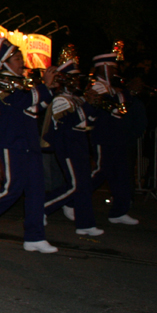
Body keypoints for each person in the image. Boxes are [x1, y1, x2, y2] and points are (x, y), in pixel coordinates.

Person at [0, 38, 59, 253]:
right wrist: (44, 86)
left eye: (21, 58)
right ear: (5, 62)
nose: (22, 62)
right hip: (11, 142)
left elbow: (33, 108)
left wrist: (48, 89)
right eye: (16, 59)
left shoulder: (21, 83)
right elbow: (21, 102)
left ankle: (34, 237)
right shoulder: (1, 81)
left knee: (36, 189)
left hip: (29, 141)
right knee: (11, 190)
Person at [42, 49, 103, 236]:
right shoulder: (61, 99)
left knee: (82, 185)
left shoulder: (77, 98)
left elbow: (87, 123)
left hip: (80, 144)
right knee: (76, 185)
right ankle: (42, 208)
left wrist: (92, 105)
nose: (76, 82)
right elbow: (67, 123)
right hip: (67, 145)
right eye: (72, 78)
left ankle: (85, 224)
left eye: (77, 78)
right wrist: (86, 105)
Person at [88, 50, 139, 224]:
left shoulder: (113, 88)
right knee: (100, 172)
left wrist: (120, 93)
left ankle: (119, 211)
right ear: (102, 67)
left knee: (121, 173)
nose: (114, 70)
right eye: (111, 67)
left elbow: (124, 105)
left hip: (116, 136)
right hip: (103, 136)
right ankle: (73, 199)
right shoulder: (97, 87)